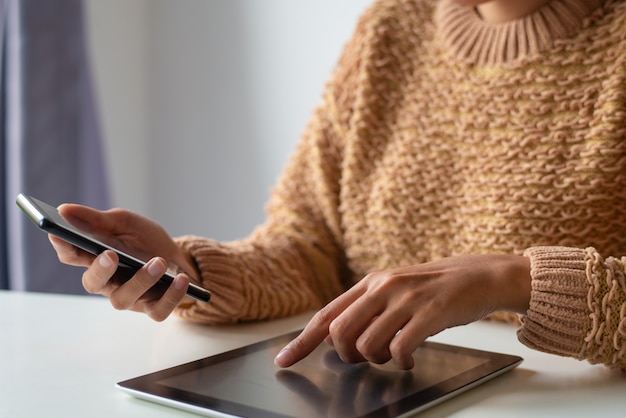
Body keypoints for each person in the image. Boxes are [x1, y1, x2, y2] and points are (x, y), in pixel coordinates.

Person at [50, 0, 626, 371]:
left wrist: (511, 280)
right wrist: (188, 271)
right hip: (376, 393)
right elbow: (309, 246)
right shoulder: (393, 29)